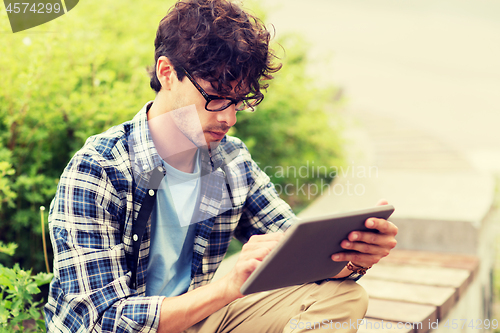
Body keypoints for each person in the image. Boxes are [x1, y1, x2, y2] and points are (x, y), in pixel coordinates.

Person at [44, 0, 398, 332]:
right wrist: (226, 288)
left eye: (239, 101)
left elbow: (293, 254)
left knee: (344, 297)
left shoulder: (228, 162)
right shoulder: (100, 170)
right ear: (167, 73)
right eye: (215, 97)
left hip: (197, 319)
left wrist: (351, 257)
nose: (228, 117)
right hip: (129, 324)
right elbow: (101, 320)